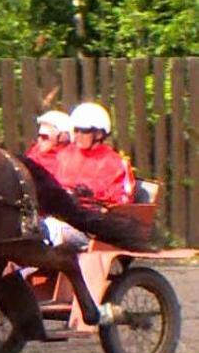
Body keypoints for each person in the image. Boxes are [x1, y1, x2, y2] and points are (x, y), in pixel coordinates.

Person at [43, 102, 135, 247]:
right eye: (76, 130)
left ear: (99, 134)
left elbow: (121, 203)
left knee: (48, 230)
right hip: (60, 216)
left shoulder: (115, 163)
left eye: (83, 131)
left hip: (90, 227)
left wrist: (91, 196)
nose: (77, 135)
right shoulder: (65, 154)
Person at [25, 110, 72, 177]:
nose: (39, 140)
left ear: (62, 137)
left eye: (44, 137)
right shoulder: (33, 154)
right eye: (39, 136)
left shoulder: (68, 161)